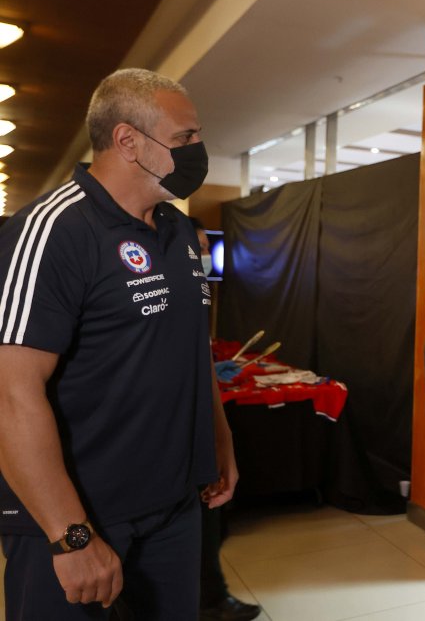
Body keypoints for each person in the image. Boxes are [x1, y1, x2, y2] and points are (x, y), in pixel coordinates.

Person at [0, 68, 238, 619]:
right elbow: (12, 395)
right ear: (128, 140)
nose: (198, 149)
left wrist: (218, 440)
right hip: (76, 518)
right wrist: (70, 535)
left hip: (173, 510)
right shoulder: (51, 231)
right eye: (185, 138)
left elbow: (190, 350)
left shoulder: (178, 232)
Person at [190, 217, 261, 621]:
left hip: (199, 437)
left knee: (210, 526)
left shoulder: (198, 299)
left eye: (203, 248)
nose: (201, 257)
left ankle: (212, 599)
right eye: (196, 248)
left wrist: (223, 442)